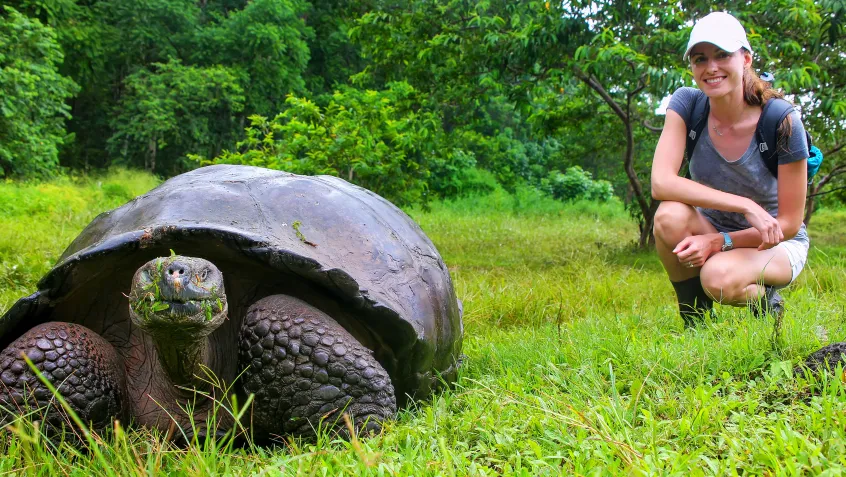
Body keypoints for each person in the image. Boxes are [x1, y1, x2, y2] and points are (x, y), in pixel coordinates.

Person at [651, 11, 810, 327]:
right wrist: (745, 205)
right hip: (713, 225)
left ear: (746, 59)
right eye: (700, 59)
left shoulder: (781, 120)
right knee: (668, 216)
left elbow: (789, 224)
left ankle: (766, 305)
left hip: (775, 243)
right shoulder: (687, 105)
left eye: (722, 55)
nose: (710, 67)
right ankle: (696, 324)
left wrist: (720, 242)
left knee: (718, 277)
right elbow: (661, 183)